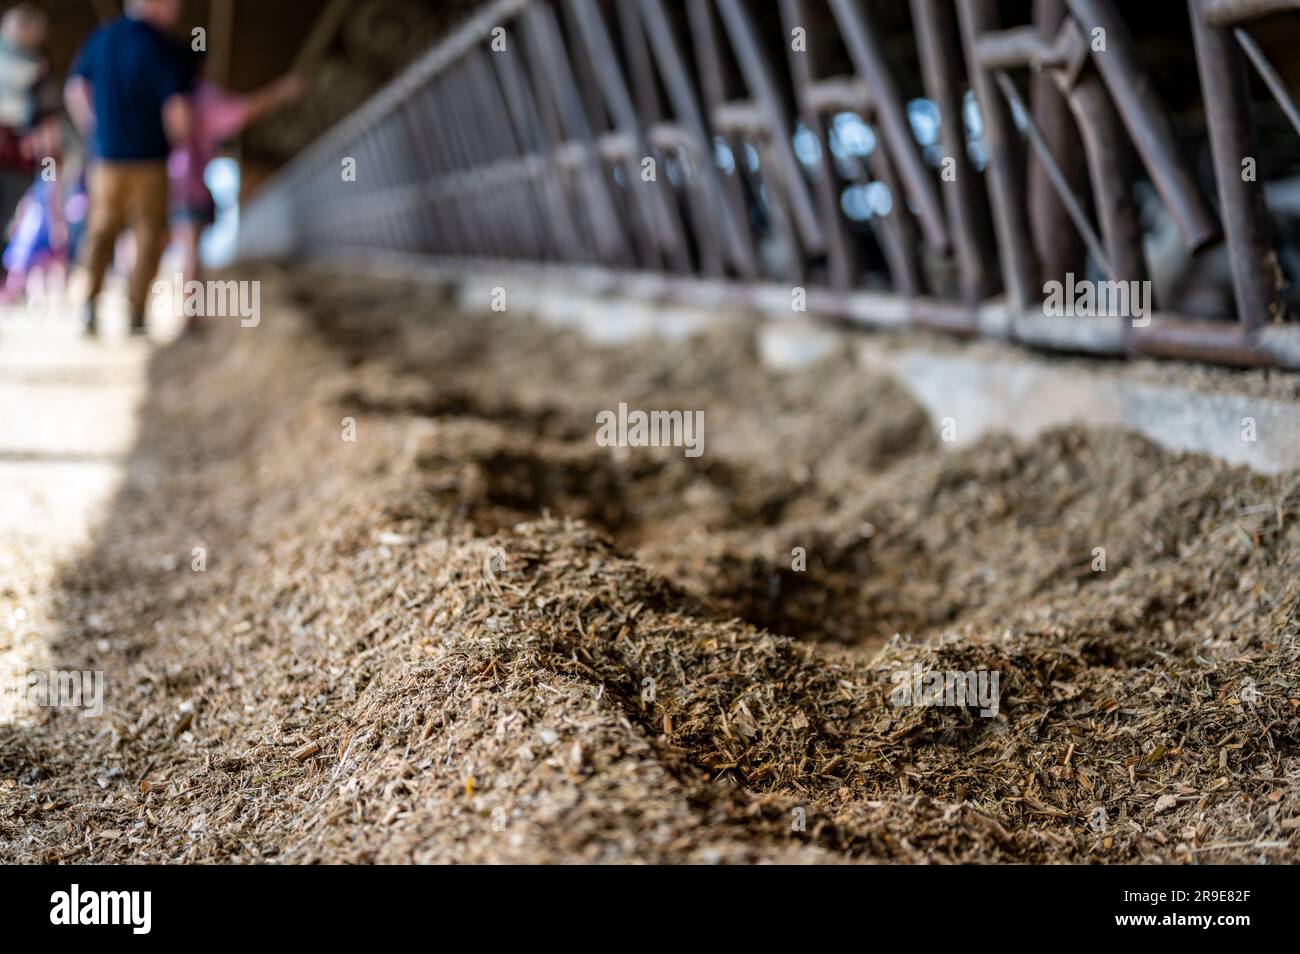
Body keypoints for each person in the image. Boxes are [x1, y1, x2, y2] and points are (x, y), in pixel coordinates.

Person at [64, 0, 194, 337]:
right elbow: (177, 109)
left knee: (101, 230)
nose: (178, 10)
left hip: (106, 158)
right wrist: (176, 143)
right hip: (150, 158)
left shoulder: (102, 37)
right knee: (149, 233)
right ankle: (136, 312)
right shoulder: (164, 46)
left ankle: (88, 306)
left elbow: (75, 90)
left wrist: (96, 131)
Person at [169, 65, 302, 331]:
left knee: (167, 242)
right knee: (191, 247)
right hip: (188, 182)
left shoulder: (159, 91)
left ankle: (145, 310)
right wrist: (281, 91)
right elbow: (243, 112)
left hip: (160, 177)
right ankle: (189, 317)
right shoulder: (201, 97)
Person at [0, 4, 60, 247]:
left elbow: (48, 121)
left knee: (8, 219)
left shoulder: (40, 72)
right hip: (16, 159)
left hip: (17, 161)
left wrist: (49, 165)